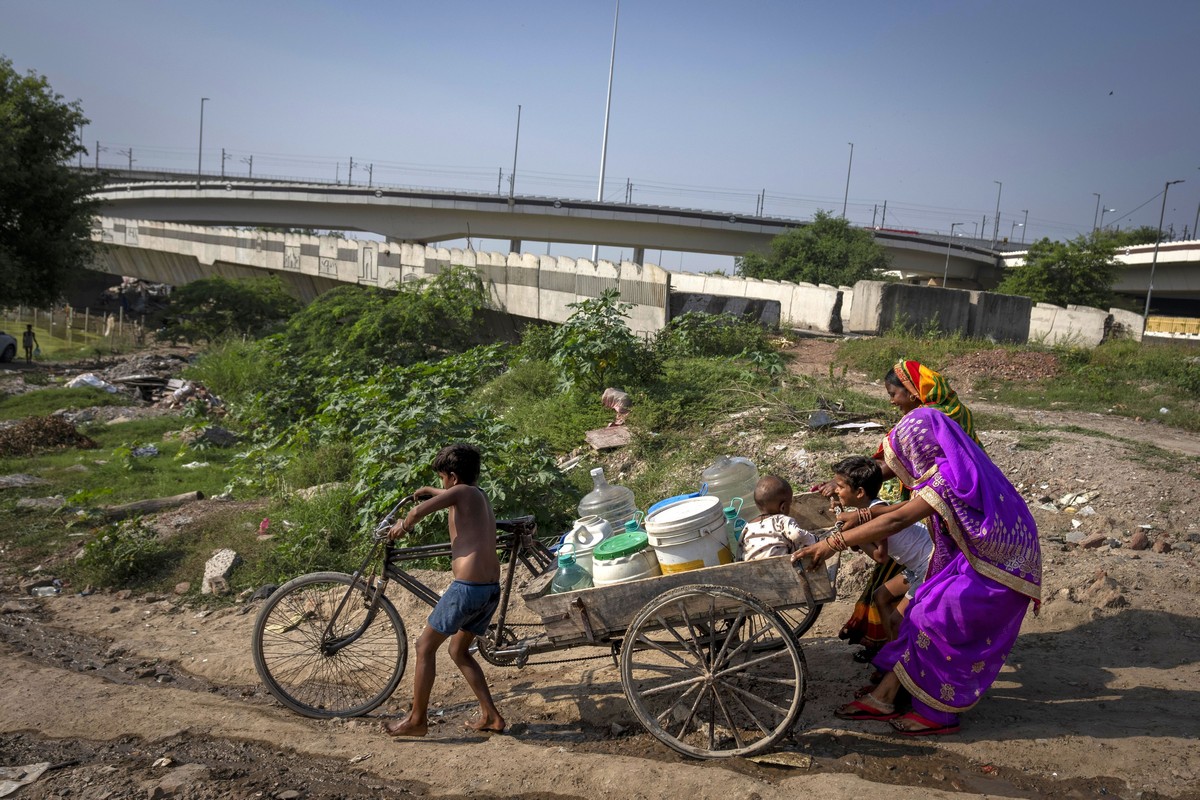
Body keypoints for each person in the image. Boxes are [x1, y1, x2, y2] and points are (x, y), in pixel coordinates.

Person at [796, 407, 1041, 736]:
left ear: (921, 449)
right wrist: (865, 519)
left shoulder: (950, 478)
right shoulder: (952, 469)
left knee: (933, 618)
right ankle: (890, 693)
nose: (904, 467)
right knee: (919, 612)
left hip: (999, 567)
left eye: (906, 456)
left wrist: (831, 544)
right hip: (979, 559)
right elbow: (905, 509)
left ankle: (935, 713)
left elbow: (899, 519)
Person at [383, 444, 506, 737]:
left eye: (441, 478)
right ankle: (491, 716)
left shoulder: (461, 494)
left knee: (425, 647)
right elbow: (449, 496)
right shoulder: (476, 494)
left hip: (467, 588)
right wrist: (431, 488)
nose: (442, 485)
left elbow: (417, 511)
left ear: (452, 476)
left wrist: (403, 526)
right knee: (458, 651)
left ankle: (417, 720)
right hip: (488, 589)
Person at [831, 456, 931, 645]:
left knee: (896, 620)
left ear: (859, 492)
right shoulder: (873, 507)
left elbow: (880, 555)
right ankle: (893, 651)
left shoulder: (874, 514)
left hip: (929, 565)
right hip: (919, 564)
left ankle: (898, 663)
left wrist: (857, 537)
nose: (836, 491)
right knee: (880, 596)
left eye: (840, 486)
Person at [739, 475, 816, 561]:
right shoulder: (782, 520)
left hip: (751, 570)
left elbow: (739, 548)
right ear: (783, 507)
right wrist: (814, 540)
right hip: (779, 566)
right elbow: (797, 535)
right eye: (789, 504)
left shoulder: (748, 526)